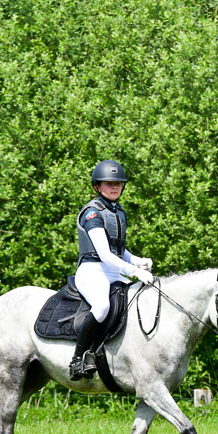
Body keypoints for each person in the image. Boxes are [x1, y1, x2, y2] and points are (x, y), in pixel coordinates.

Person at [69, 159, 154, 380]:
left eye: (118, 183)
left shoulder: (117, 211)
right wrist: (134, 272)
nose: (115, 187)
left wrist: (138, 261)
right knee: (102, 307)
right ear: (97, 186)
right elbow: (104, 254)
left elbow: (118, 250)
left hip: (113, 270)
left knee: (141, 299)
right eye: (109, 183)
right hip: (92, 270)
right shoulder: (92, 213)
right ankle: (77, 359)